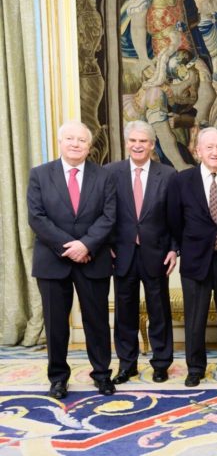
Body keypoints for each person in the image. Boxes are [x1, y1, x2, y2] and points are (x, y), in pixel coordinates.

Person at [27, 121, 117, 398]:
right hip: (53, 261)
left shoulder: (104, 176)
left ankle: (102, 375)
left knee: (97, 321)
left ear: (89, 146)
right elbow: (37, 217)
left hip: (93, 259)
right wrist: (70, 246)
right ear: (60, 142)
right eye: (70, 139)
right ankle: (58, 378)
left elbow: (109, 216)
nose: (76, 144)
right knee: (55, 324)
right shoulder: (40, 174)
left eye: (81, 140)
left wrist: (86, 244)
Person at [167, 127, 217, 387]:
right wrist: (185, 246)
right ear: (198, 151)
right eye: (209, 147)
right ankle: (195, 368)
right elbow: (174, 220)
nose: (215, 152)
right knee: (195, 319)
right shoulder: (182, 181)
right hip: (195, 259)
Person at [106, 121, 177, 384]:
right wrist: (106, 244)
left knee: (159, 311)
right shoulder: (110, 173)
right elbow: (104, 212)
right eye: (133, 140)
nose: (138, 145)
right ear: (127, 143)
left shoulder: (167, 174)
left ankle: (161, 364)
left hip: (156, 253)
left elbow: (175, 217)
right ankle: (127, 365)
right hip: (121, 254)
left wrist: (174, 249)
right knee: (124, 312)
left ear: (152, 144)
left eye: (143, 141)